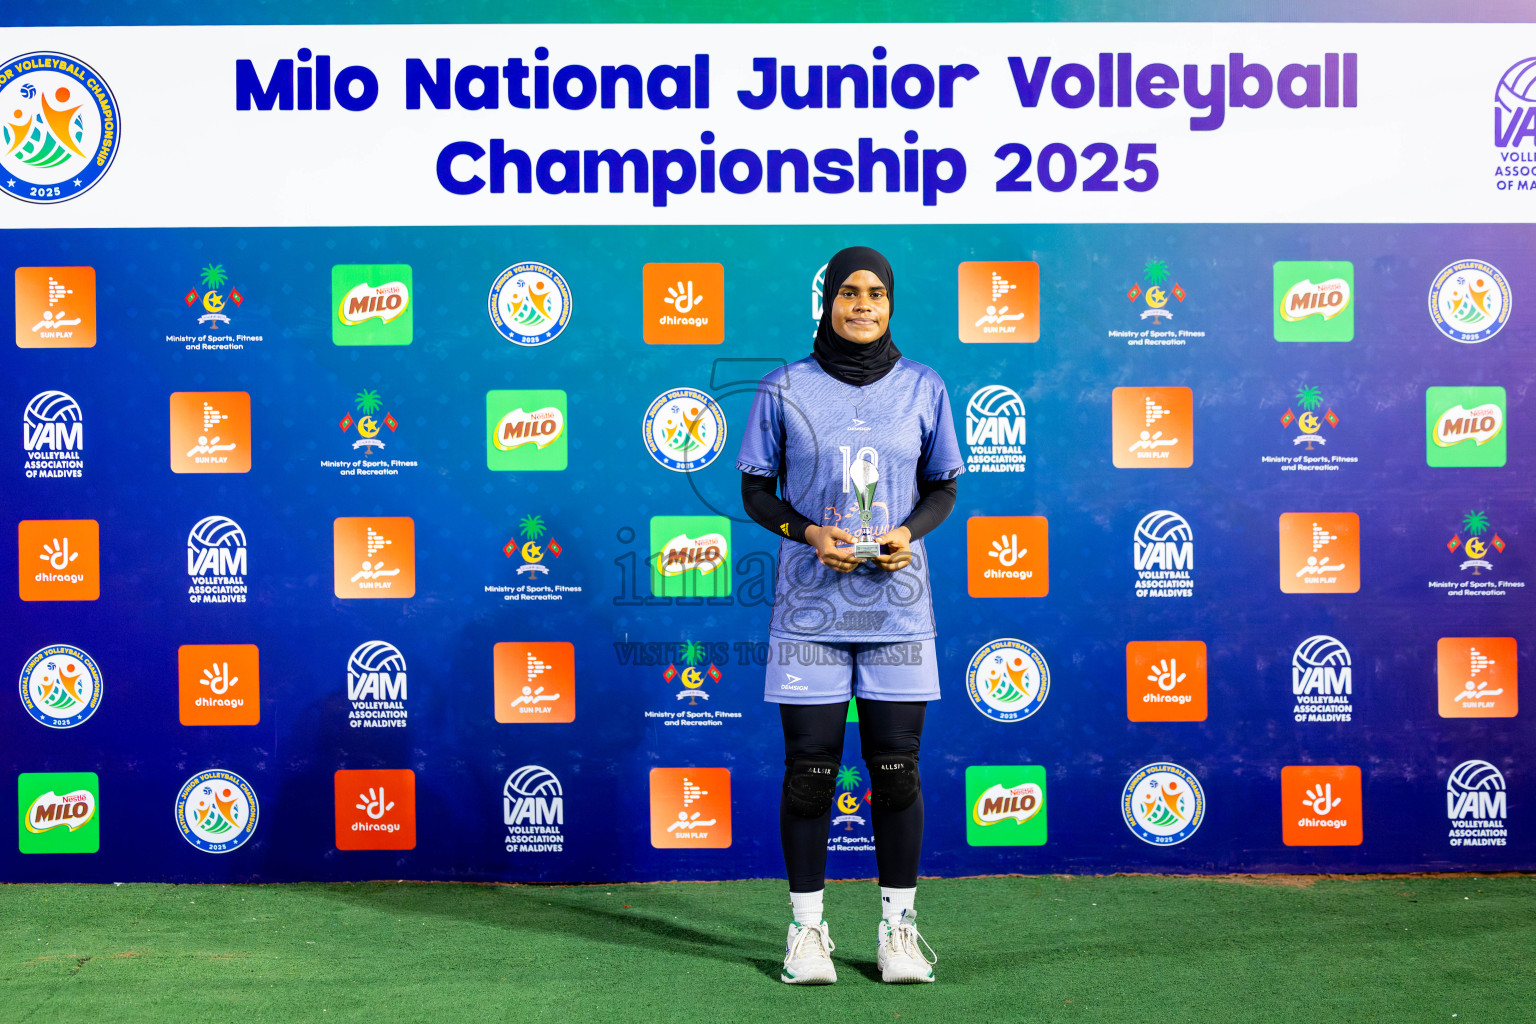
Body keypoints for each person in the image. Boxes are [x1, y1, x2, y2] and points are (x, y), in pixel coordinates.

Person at [736, 246, 962, 985]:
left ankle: (899, 930)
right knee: (810, 775)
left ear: (890, 304)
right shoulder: (784, 386)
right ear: (828, 300)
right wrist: (807, 532)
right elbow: (756, 492)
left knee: (896, 772)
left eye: (876, 293)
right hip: (811, 608)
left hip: (897, 609)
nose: (863, 304)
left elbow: (941, 487)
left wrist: (908, 534)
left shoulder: (924, 385)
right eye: (849, 292)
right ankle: (807, 933)